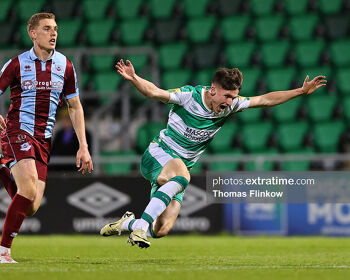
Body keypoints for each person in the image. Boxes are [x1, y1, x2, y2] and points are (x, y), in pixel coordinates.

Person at [100, 59, 326, 249]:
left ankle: (129, 223)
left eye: (233, 97)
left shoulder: (232, 104)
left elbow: (265, 100)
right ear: (212, 89)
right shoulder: (189, 96)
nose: (229, 102)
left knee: (161, 230)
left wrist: (300, 91)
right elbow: (154, 92)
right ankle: (140, 228)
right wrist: (135, 78)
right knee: (182, 177)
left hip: (179, 169)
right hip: (158, 153)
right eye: (226, 96)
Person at [0, 13, 93, 263]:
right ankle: (3, 251)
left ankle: (1, 168)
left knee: (31, 207)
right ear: (33, 33)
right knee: (28, 187)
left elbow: (75, 106)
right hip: (18, 130)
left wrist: (83, 145)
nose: (53, 34)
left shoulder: (66, 65)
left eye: (55, 29)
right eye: (47, 29)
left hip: (43, 139)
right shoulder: (17, 64)